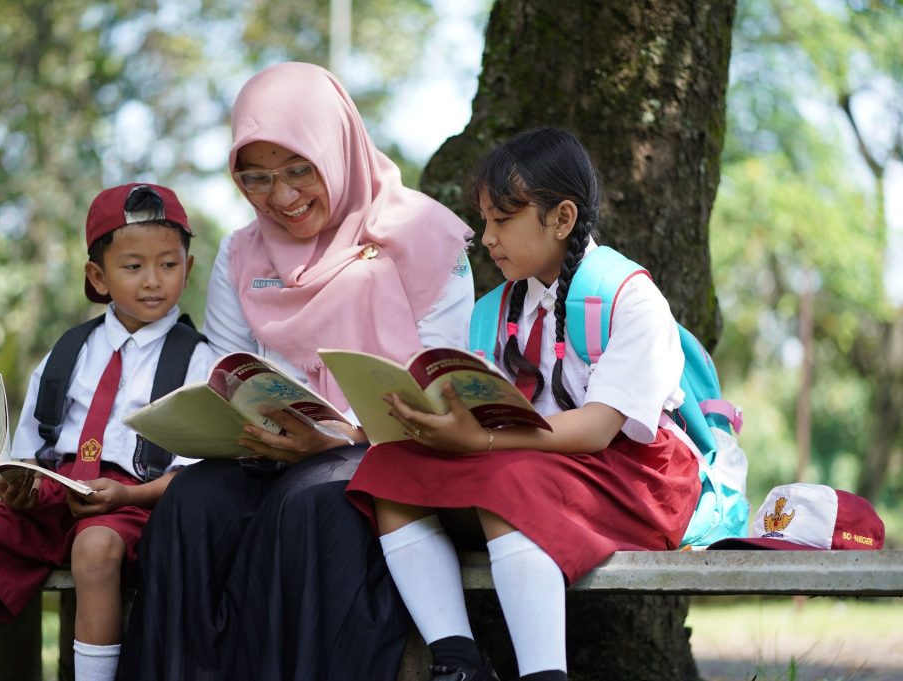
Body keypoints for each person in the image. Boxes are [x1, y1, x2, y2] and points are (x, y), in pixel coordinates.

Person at [119, 62, 474, 681]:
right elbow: (226, 369)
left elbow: (439, 389)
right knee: (192, 507)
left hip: (385, 453)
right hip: (268, 453)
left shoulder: (425, 238)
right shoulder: (241, 251)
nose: (280, 198)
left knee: (313, 501)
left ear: (336, 149)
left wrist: (334, 439)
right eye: (254, 179)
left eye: (298, 170)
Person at [345, 127, 703, 681]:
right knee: (387, 470)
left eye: (503, 219)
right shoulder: (494, 311)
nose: (487, 238)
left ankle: (543, 674)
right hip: (528, 464)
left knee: (508, 481)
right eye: (485, 220)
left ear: (561, 218)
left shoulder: (630, 297)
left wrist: (481, 441)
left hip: (636, 480)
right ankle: (458, 660)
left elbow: (598, 430)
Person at [0, 183, 214, 681]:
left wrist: (126, 495)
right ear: (98, 275)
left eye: (169, 264)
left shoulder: (200, 361)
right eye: (133, 267)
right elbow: (29, 450)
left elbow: (198, 476)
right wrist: (17, 488)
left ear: (189, 266)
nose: (153, 281)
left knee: (93, 550)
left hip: (134, 503)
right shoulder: (69, 350)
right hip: (53, 496)